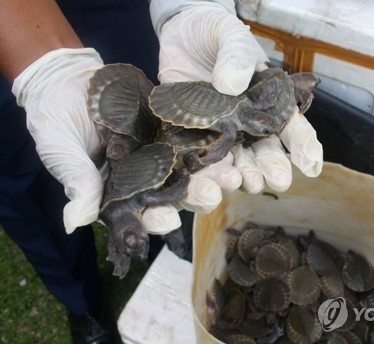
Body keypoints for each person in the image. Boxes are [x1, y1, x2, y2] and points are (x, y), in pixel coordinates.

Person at [0, 0, 323, 343]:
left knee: (145, 110)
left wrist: (187, 6)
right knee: (35, 197)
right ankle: (82, 302)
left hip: (112, 12)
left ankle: (154, 252)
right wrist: (42, 65)